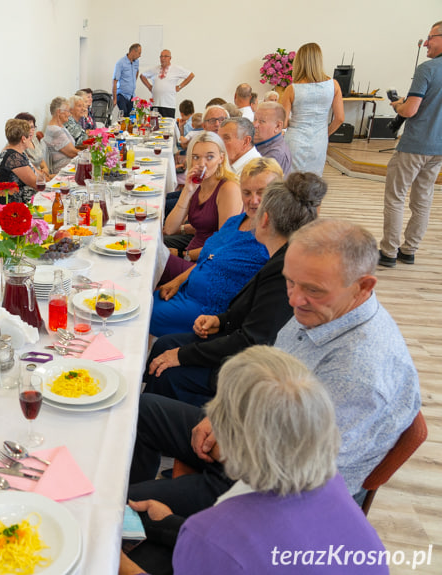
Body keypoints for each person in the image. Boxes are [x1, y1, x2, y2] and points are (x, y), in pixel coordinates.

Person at [130, 219, 421, 519]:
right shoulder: (324, 308)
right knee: (142, 409)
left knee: (120, 505)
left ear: (363, 286)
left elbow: (305, 480)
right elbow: (267, 372)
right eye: (289, 282)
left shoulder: (360, 373)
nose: (293, 299)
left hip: (268, 493)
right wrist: (224, 413)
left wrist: (230, 448)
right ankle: (139, 524)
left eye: (312, 289)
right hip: (251, 437)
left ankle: (144, 529)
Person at [121, 347, 388, 575]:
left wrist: (126, 569)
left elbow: (227, 547)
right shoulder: (331, 481)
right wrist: (169, 524)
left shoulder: (211, 533)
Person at [145, 170, 325, 405]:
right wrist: (221, 320)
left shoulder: (284, 271)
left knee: (167, 370)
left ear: (265, 219)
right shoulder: (279, 255)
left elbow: (253, 339)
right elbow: (251, 308)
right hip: (239, 340)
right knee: (164, 344)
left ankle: (160, 416)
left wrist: (182, 356)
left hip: (250, 370)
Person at [150, 158, 274, 337]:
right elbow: (208, 259)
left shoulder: (272, 236)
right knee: (143, 300)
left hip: (209, 312)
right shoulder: (235, 221)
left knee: (143, 314)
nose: (253, 200)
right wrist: (178, 281)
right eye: (246, 192)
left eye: (261, 192)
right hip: (187, 291)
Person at [379, 20, 442, 267]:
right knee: (423, 199)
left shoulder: (427, 69)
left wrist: (397, 105)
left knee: (396, 197)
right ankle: (409, 250)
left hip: (414, 145)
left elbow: (410, 111)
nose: (426, 42)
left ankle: (388, 252)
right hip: (438, 149)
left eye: (431, 37)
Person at [160, 131, 243, 282]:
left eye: (209, 157)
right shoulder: (197, 185)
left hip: (208, 262)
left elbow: (223, 244)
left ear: (221, 158)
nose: (201, 164)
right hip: (192, 251)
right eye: (196, 157)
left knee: (153, 259)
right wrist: (187, 190)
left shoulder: (228, 189)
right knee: (151, 249)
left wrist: (182, 254)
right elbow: (170, 228)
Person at [281, 42, 345, 176]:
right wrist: (324, 133)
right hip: (319, 140)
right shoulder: (334, 85)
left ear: (299, 62)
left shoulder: (292, 89)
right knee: (313, 181)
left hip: (295, 140)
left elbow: (284, 122)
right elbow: (340, 118)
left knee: (291, 181)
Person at [0, 118, 38, 204]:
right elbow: (36, 184)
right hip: (15, 210)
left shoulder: (12, 153)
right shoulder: (13, 158)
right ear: (23, 139)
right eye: (29, 136)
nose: (31, 139)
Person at [141, 49, 194, 119]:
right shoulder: (154, 69)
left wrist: (180, 86)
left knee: (168, 127)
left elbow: (191, 75)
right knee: (154, 126)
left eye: (165, 56)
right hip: (155, 104)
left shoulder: (176, 69)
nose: (163, 58)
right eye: (161, 56)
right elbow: (142, 76)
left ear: (170, 58)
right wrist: (149, 87)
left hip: (168, 105)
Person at [253, 101, 292, 175]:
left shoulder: (275, 154)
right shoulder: (262, 143)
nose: (255, 125)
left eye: (261, 121)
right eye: (255, 119)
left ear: (278, 126)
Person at [43, 97, 79, 172]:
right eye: (68, 111)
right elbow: (72, 153)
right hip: (64, 170)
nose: (69, 114)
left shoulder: (60, 127)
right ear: (59, 112)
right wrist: (89, 154)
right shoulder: (55, 131)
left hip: (71, 166)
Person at [14, 112, 52, 180]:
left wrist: (45, 169)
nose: (30, 131)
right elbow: (30, 170)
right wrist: (44, 176)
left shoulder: (33, 138)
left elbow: (40, 158)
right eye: (26, 128)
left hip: (42, 175)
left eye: (32, 127)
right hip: (32, 179)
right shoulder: (19, 145)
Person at [112, 43, 142, 117]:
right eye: (139, 53)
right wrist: (114, 99)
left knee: (132, 116)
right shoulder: (120, 63)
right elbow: (114, 81)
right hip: (122, 95)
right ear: (133, 52)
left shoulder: (136, 62)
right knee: (124, 115)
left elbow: (137, 71)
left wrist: (133, 82)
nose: (140, 55)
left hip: (131, 95)